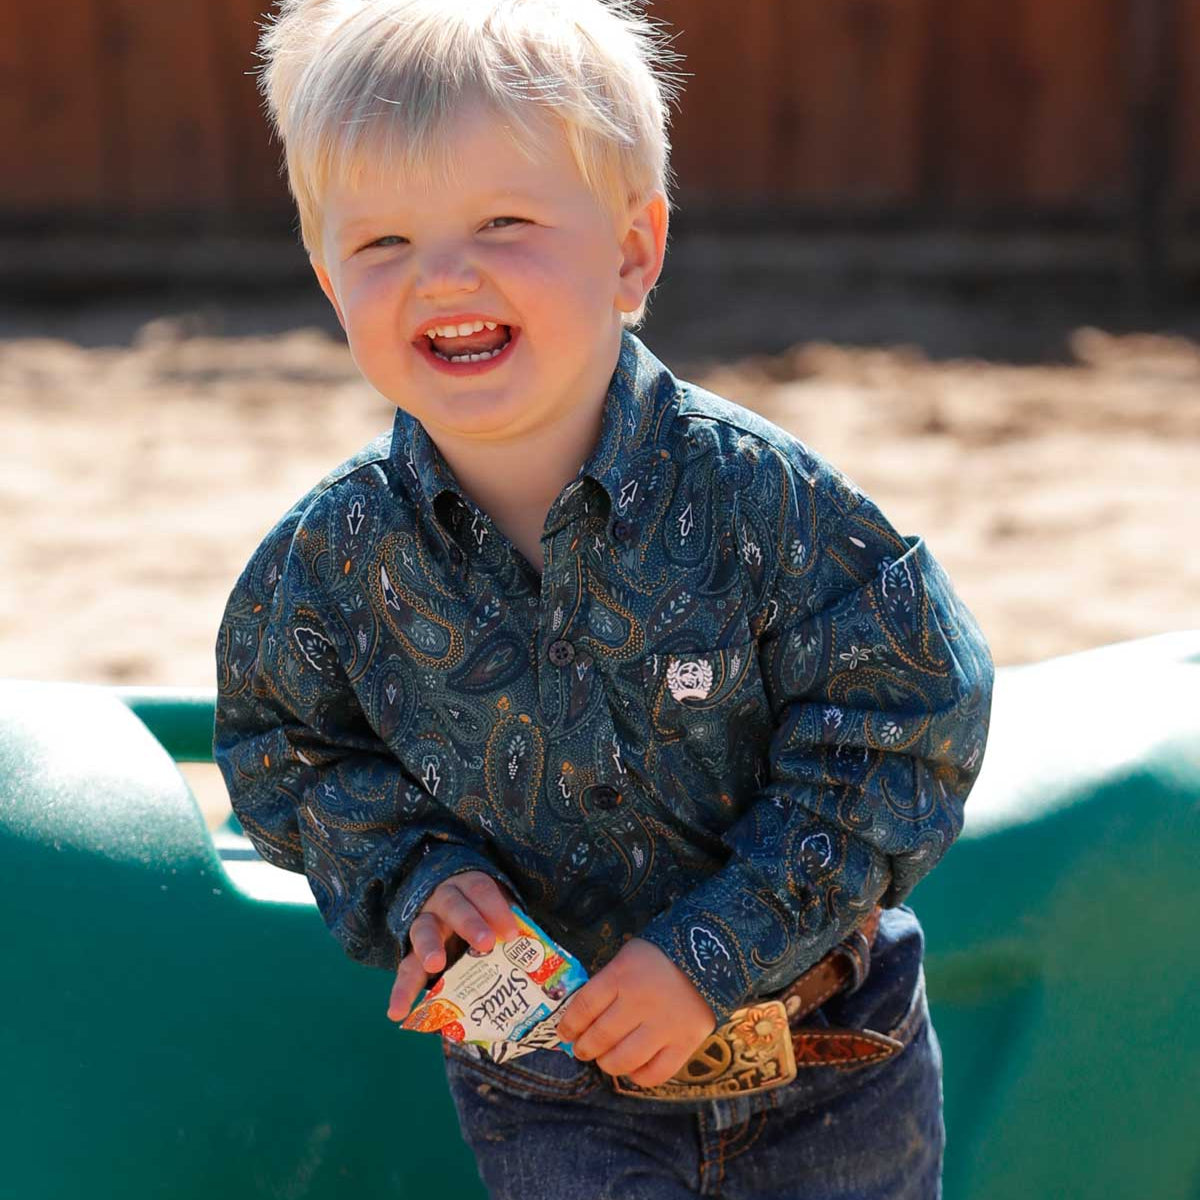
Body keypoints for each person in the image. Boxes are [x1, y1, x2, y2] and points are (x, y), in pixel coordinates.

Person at [213, 1, 994, 1195]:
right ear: (328, 280)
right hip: (550, 1081)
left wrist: (710, 950)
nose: (444, 273)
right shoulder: (330, 564)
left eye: (503, 222)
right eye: (382, 242)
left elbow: (909, 721)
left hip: (827, 1058)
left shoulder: (763, 504)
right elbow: (289, 753)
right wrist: (421, 877)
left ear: (633, 251)